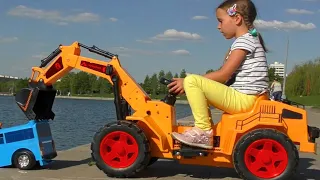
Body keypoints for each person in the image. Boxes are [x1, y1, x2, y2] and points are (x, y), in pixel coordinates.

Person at [167, 0, 269, 149]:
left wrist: (187, 82)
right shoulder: (249, 40)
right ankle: (206, 128)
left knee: (192, 81)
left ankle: (203, 131)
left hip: (244, 99)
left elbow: (224, 75)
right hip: (247, 98)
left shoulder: (244, 42)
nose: (218, 26)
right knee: (197, 87)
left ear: (237, 18)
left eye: (220, 21)